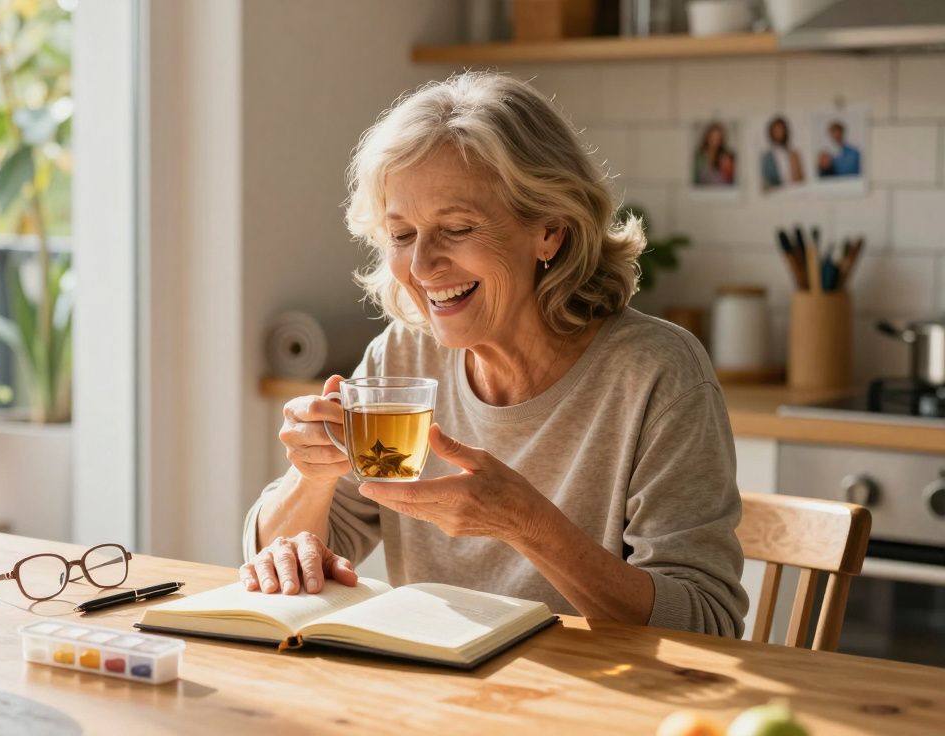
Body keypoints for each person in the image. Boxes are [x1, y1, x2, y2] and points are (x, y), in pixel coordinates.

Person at [240, 72, 748, 638]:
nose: (424, 266)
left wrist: (525, 522)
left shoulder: (655, 374)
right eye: (402, 235)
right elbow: (282, 552)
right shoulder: (404, 358)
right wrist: (309, 477)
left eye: (457, 228)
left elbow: (706, 625)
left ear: (550, 231)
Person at [761, 116, 803, 191]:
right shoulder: (766, 157)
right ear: (771, 132)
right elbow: (765, 183)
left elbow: (801, 178)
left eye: (781, 129)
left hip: (795, 193)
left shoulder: (794, 154)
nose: (779, 132)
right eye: (776, 130)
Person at [693, 122, 736, 186]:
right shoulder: (699, 156)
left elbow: (730, 180)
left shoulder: (726, 156)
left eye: (717, 138)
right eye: (712, 137)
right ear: (707, 137)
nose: (715, 141)